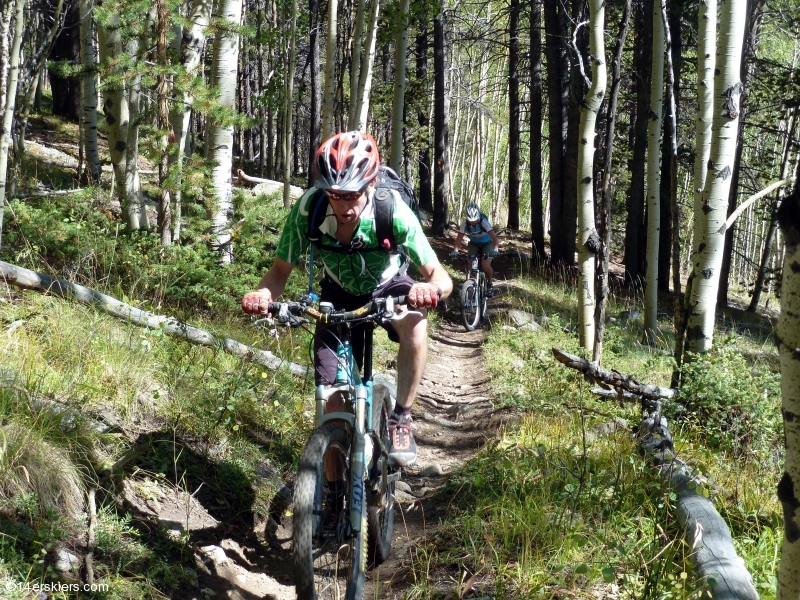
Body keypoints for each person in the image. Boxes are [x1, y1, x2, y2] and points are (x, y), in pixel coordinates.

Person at [241, 131, 452, 469]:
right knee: (332, 406)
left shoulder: (391, 210)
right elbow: (279, 271)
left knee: (415, 324)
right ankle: (332, 507)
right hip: (336, 293)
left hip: (389, 285)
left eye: (352, 194)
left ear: (370, 185)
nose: (344, 205)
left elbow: (441, 277)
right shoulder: (310, 208)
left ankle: (401, 417)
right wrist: (263, 294)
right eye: (335, 195)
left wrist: (430, 290)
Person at [449, 203, 500, 297]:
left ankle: (489, 284)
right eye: (470, 221)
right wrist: (455, 251)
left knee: (485, 264)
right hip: (474, 244)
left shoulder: (484, 222)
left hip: (487, 244)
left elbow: (495, 238)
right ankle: (468, 286)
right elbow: (459, 239)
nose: (473, 223)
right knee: (470, 263)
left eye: (475, 220)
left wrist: (496, 249)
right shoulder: (465, 224)